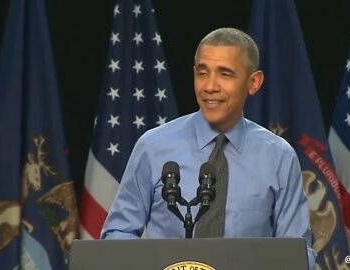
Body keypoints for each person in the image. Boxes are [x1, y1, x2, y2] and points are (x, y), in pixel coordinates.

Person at [101, 27, 316, 269]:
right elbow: (118, 235)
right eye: (203, 73)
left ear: (253, 82)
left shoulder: (278, 156)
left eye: (225, 74)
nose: (210, 86)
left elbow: (297, 253)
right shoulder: (153, 147)